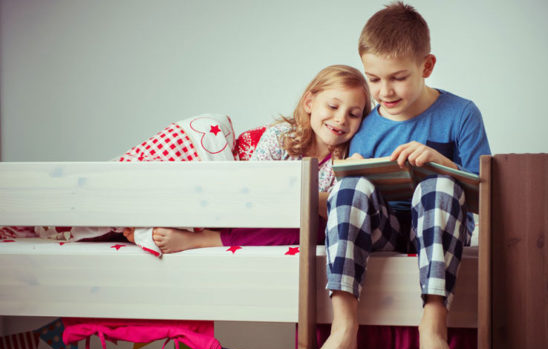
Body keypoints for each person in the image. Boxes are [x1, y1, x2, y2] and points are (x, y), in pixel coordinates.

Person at [308, 2, 491, 349]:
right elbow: (342, 202)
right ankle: (344, 326)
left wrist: (442, 163)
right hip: (385, 232)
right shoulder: (366, 125)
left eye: (397, 78)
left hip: (441, 233)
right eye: (373, 79)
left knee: (438, 185)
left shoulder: (461, 113)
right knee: (349, 187)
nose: (384, 91)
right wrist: (353, 170)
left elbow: (487, 196)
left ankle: (433, 323)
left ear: (427, 66)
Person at [123, 64, 372, 252]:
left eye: (354, 114)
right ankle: (181, 232)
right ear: (309, 102)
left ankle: (205, 241)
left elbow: (335, 212)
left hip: (296, 226)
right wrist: (313, 200)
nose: (341, 119)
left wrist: (306, 201)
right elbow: (256, 189)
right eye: (333, 107)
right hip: (257, 213)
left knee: (312, 229)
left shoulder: (347, 156)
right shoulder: (280, 137)